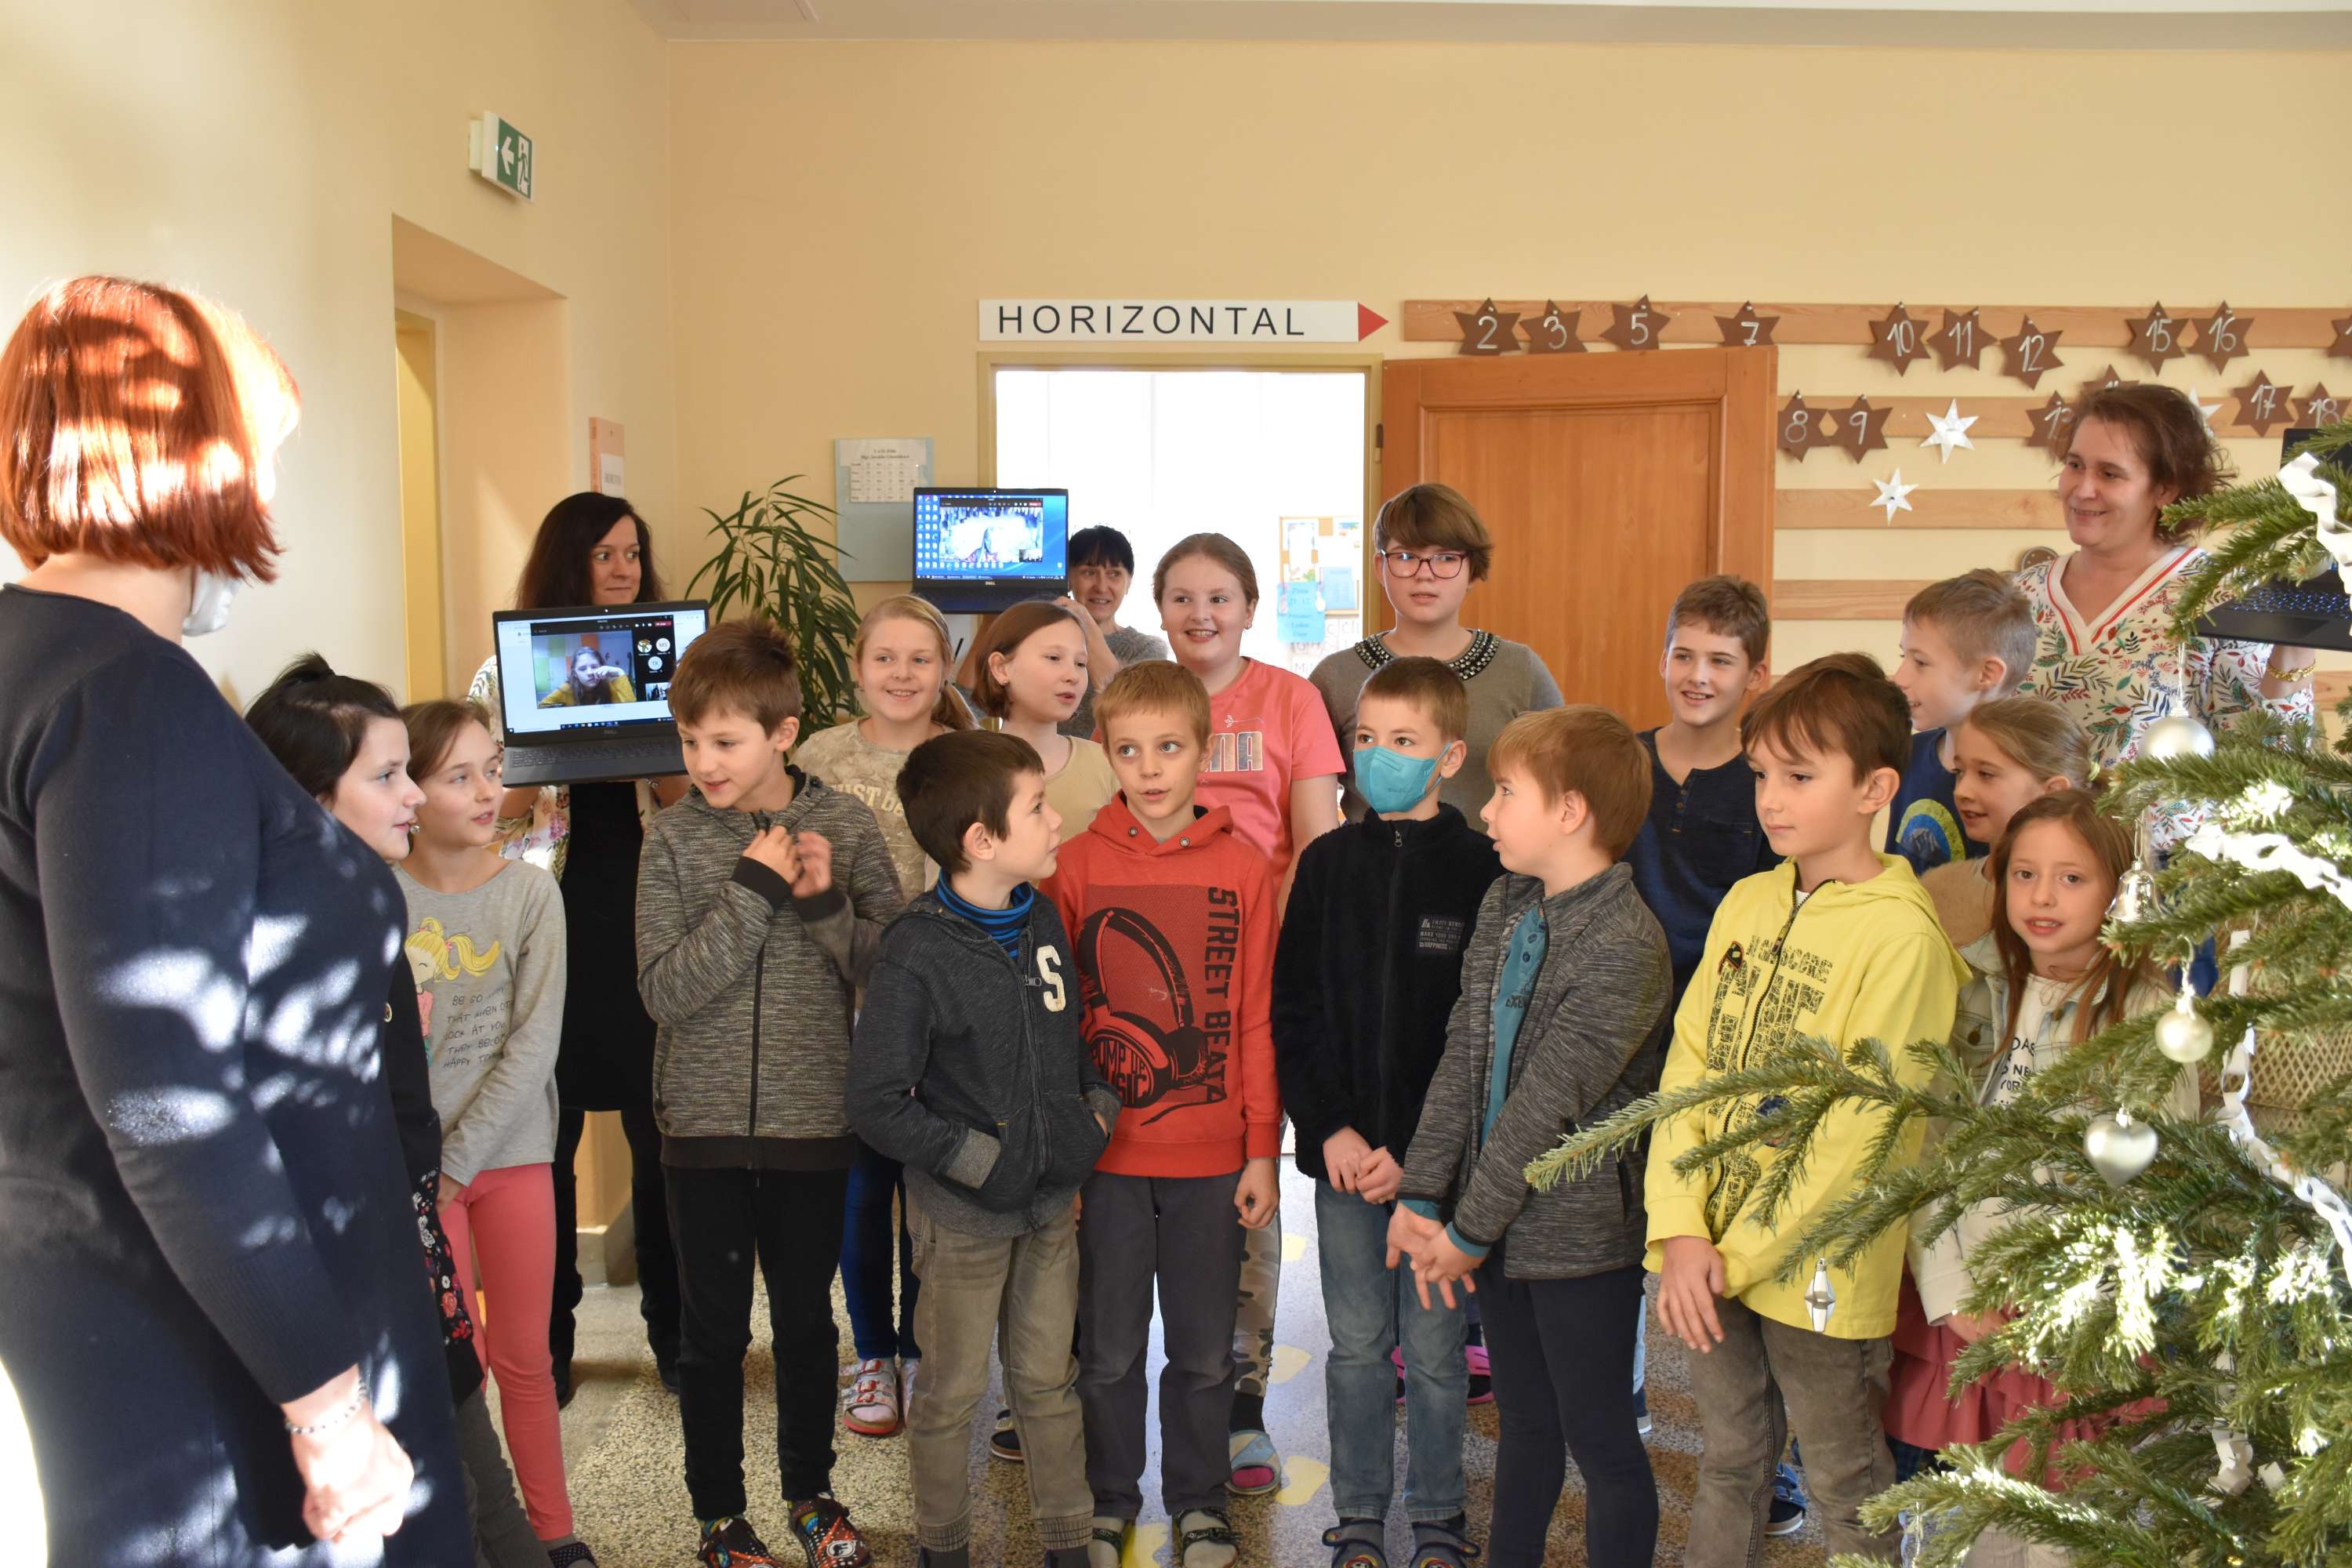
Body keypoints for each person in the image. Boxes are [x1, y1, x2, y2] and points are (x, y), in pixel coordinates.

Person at [0, 274, 466, 1561]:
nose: (265, 497)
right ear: (192, 454)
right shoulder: (124, 697)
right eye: (262, 457)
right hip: (227, 1343)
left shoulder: (38, 661)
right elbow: (163, 1093)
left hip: (109, 1280)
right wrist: (327, 1406)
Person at [1646, 652, 1970, 1566]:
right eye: (1761, 775)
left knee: (1843, 1477)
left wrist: (1736, 1255)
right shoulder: (1749, 899)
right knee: (1729, 1459)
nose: (1771, 800)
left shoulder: (1902, 935)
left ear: (1875, 788)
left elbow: (1861, 1135)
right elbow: (1690, 1064)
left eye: (1799, 776)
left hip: (1818, 1270)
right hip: (1706, 1252)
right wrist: (1681, 1229)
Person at [248, 657, 546, 1568]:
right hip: (362, 1282)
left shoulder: (367, 905)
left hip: (415, 1259)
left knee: (476, 1464)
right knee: (439, 1493)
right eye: (387, 776)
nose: (412, 794)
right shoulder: (293, 939)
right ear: (308, 796)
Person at [636, 617, 906, 1568]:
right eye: (689, 740)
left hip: (813, 1124)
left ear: (783, 733)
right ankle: (719, 1514)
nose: (702, 762)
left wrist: (824, 905)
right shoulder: (672, 837)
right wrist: (752, 890)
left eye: (724, 741)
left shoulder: (846, 825)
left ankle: (812, 1495)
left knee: (803, 1324)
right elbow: (664, 990)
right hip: (701, 1129)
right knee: (712, 1333)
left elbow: (891, 969)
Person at [1387, 706, 1671, 1568]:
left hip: (1579, 1242)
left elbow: (1544, 1112)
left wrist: (1466, 1233)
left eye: (1508, 792)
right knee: (1525, 1424)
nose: (1487, 809)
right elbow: (1463, 1053)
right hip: (1496, 1225)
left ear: (1570, 811)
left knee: (1601, 1436)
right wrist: (1421, 1195)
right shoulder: (1509, 899)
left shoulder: (1626, 944)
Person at [1886, 790, 2200, 1568]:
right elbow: (1927, 1151)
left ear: (2120, 890)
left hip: (2073, 1324)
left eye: (2072, 878)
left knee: (2064, 1532)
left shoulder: (2149, 1018)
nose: (2042, 897)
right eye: (2025, 874)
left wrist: (2073, 1315)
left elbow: (2158, 1190)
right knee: (1975, 1527)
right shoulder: (1974, 990)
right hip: (1971, 1304)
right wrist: (1953, 1293)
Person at [845, 728, 1120, 1568]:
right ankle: (944, 1547)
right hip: (962, 1221)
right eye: (1037, 807)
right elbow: (876, 1103)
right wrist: (980, 1163)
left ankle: (1067, 1543)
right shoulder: (915, 949)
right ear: (982, 840)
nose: (1056, 818)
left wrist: (1093, 1115)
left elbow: (1068, 1033)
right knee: (951, 1393)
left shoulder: (1040, 914)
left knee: (1047, 1383)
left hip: (1049, 1208)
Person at [1042, 660, 1283, 1568]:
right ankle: (1111, 1499)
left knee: (1205, 1353)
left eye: (1169, 747)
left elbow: (1255, 1015)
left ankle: (1199, 1501)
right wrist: (1064, 1157)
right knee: (1105, 1352)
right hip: (1104, 1161)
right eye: (1130, 750)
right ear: (1105, 753)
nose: (1150, 768)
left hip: (1212, 1161)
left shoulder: (1243, 867)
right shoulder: (1073, 865)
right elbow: (1054, 1026)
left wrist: (1260, 1147)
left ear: (1204, 749)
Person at [1275, 657, 1502, 1568]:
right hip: (1342, 1163)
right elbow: (1294, 1007)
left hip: (1435, 1172)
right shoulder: (1326, 863)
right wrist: (1328, 1124)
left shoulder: (1484, 868)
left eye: (1404, 740)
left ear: (1450, 755)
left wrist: (1418, 1153)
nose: (1379, 755)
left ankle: (1439, 1514)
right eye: (1366, 738)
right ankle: (1360, 1512)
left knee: (1439, 1351)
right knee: (1359, 1346)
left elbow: (1480, 1033)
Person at [470, 491, 686, 1400]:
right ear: (569, 560)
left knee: (663, 1146)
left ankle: (678, 1340)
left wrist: (657, 755)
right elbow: (483, 810)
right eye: (605, 554)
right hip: (546, 929)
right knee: (542, 1153)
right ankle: (546, 1347)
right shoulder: (503, 675)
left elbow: (698, 801)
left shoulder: (672, 665)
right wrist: (535, 760)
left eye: (633, 552)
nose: (624, 569)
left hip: (650, 921)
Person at [1153, 531, 1342, 1490]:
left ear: (1251, 607)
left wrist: (1271, 950)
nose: (1201, 614)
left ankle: (1242, 1401)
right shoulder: (1140, 698)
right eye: (1182, 597)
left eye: (1219, 596)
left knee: (1248, 1179)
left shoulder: (1290, 700)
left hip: (1253, 974)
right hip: (1147, 982)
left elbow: (1316, 842)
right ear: (1159, 610)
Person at [1618, 575, 1802, 1525]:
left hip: (1733, 1044)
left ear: (1755, 674)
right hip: (1625, 1034)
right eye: (1683, 654)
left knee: (1733, 1247)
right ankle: (1621, 1399)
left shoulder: (1772, 779)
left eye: (1720, 660)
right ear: (1662, 657)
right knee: (1621, 1222)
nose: (1697, 674)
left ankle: (1765, 1458)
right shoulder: (1624, 761)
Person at [395, 699, 590, 1563]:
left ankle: (553, 1535)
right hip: (420, 1175)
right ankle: (476, 1536)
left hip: (510, 1160)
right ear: (411, 790)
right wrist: (430, 1171)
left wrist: (458, 1160)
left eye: (493, 768)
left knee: (525, 1361)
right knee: (456, 1368)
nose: (487, 790)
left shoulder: (530, 893)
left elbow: (533, 1047)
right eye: (459, 775)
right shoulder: (377, 898)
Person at [797, 592, 972, 1439]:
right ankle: (871, 1352)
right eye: (885, 658)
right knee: (861, 1190)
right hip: (844, 1008)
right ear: (857, 667)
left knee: (929, 1190)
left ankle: (921, 1349)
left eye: (920, 659)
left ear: (945, 669)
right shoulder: (818, 757)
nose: (902, 674)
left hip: (943, 1008)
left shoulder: (967, 757)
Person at [2015, 384, 2316, 852]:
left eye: (2110, 473)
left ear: (2166, 488)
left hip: (2171, 880)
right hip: (2029, 869)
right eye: (2075, 465)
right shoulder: (2019, 597)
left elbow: (2268, 763)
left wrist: (2301, 636)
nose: (2082, 488)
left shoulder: (2221, 597)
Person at [1310, 484, 1562, 821]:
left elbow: (1563, 781)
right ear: (1379, 567)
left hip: (1496, 855)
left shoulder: (1520, 670)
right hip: (1367, 854)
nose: (1425, 574)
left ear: (1472, 568)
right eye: (1405, 557)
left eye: (1446, 558)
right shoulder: (1335, 676)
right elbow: (1308, 803)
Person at [1887, 569, 2037, 873]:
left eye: (1920, 662)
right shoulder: (1909, 753)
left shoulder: (2026, 779)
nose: (1899, 678)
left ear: (1986, 674)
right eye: (1904, 657)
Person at [1916, 696, 2092, 949]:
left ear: (2052, 792)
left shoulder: (2093, 906)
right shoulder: (1938, 890)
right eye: (1959, 772)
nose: (1961, 791)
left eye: (1986, 774)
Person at [977, 597, 1121, 836]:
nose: (1072, 676)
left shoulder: (1106, 764)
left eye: (1080, 663)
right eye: (1054, 658)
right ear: (1001, 668)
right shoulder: (968, 768)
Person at [1061, 523, 1171, 740]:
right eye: (1088, 572)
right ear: (1068, 578)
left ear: (1129, 582)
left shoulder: (1147, 649)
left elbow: (1131, 708)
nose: (1101, 587)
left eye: (1114, 574)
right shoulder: (1043, 640)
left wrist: (1085, 623)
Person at [539, 638, 638, 706]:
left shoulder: (609, 686)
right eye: (582, 669)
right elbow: (542, 707)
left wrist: (620, 672)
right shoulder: (566, 689)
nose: (590, 673)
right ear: (575, 674)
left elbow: (631, 710)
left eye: (594, 667)